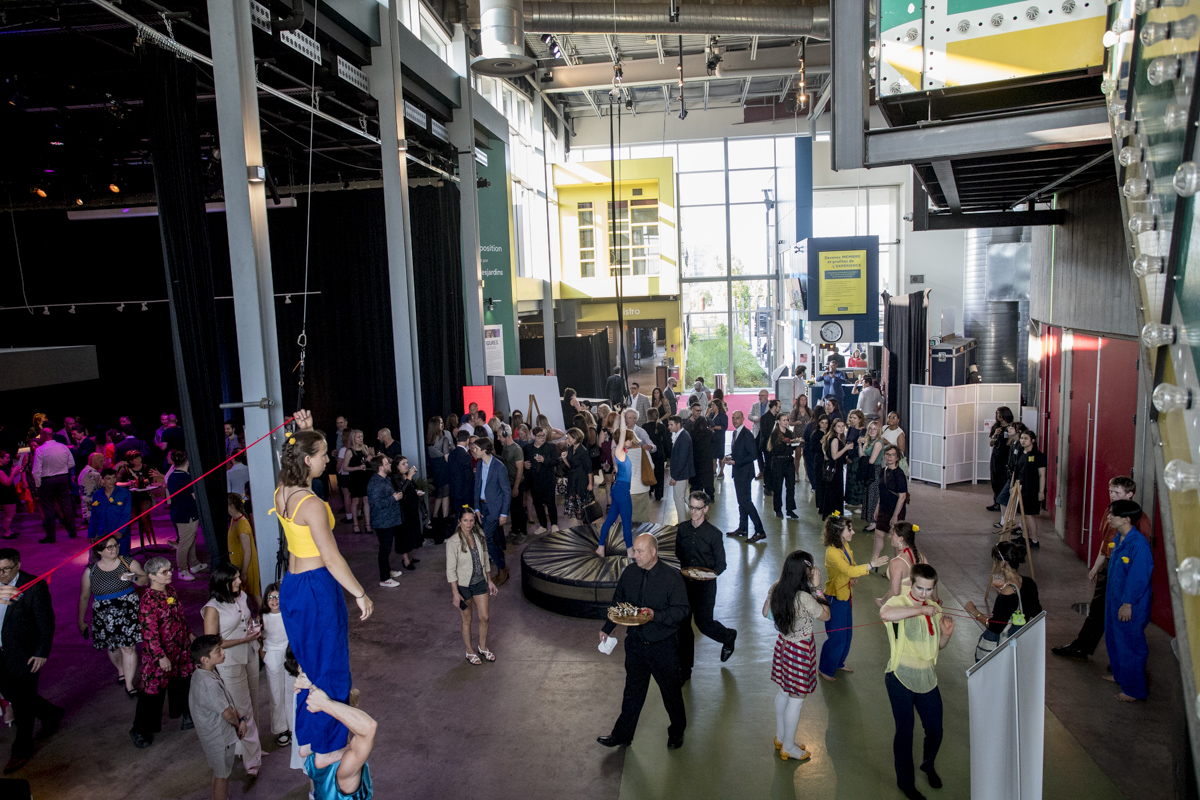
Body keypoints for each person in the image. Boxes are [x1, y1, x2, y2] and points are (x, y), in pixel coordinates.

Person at [272, 410, 373, 759]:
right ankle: (329, 746)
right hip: (317, 587)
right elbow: (332, 559)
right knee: (330, 665)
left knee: (307, 664)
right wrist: (360, 593)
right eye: (323, 454)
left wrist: (305, 431)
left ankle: (306, 737)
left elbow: (303, 479)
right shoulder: (312, 505)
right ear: (306, 459)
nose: (328, 458)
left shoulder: (282, 492)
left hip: (293, 586)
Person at [597, 533, 689, 750]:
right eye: (634, 551)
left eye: (639, 551)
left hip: (663, 647)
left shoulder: (671, 577)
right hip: (636, 644)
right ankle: (622, 734)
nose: (634, 555)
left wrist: (654, 615)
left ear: (653, 552)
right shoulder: (630, 573)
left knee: (671, 693)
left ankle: (677, 732)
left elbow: (682, 610)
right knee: (632, 692)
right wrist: (607, 627)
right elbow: (618, 601)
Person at [1054, 477, 1151, 661]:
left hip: (1125, 571)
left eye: (1117, 493)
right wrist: (1097, 566)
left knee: (1123, 618)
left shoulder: (1140, 520)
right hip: (1110, 565)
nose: (1112, 496)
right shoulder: (1111, 512)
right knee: (1099, 609)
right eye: (1111, 492)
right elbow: (1106, 542)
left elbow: (1139, 561)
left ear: (1129, 494)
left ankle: (1124, 663)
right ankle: (1085, 647)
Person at [880, 564, 955, 800]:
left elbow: (937, 647)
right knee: (905, 732)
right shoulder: (899, 603)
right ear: (911, 583)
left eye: (929, 590)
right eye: (920, 588)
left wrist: (945, 635)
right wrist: (919, 610)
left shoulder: (934, 608)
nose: (924, 594)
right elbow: (885, 614)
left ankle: (927, 764)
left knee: (935, 730)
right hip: (899, 677)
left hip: (927, 678)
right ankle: (906, 784)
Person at [0, 548, 63, 774]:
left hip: (24, 654)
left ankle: (21, 749)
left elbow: (46, 622)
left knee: (22, 705)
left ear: (17, 566)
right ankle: (50, 713)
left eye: (6, 570)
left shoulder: (33, 587)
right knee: (12, 694)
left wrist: (41, 652)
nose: (1, 574)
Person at [763, 550, 830, 762]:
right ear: (805, 571)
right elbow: (826, 615)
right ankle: (789, 747)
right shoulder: (804, 598)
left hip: (783, 645)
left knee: (784, 691)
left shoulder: (777, 586)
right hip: (800, 649)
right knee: (797, 699)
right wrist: (818, 588)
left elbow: (766, 613)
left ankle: (782, 737)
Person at [202, 564, 262, 776]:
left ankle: (250, 748)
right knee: (242, 710)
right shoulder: (212, 608)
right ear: (222, 582)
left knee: (252, 702)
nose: (239, 581)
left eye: (238, 577)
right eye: (235, 579)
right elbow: (212, 642)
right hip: (230, 661)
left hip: (250, 654)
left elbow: (246, 621)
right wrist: (244, 639)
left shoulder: (242, 596)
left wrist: (253, 635)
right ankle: (252, 759)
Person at [131, 556, 195, 748]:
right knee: (152, 693)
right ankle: (140, 729)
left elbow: (179, 617)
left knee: (183, 682)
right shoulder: (148, 602)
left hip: (180, 649)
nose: (170, 574)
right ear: (151, 576)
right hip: (160, 655)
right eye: (164, 572)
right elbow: (149, 634)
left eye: (169, 570)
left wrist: (189, 634)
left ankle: (185, 714)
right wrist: (160, 657)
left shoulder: (172, 591)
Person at [820, 516, 888, 681]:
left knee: (847, 634)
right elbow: (848, 570)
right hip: (834, 599)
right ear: (839, 532)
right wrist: (872, 564)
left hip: (844, 596)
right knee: (837, 636)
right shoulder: (832, 552)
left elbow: (851, 566)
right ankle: (825, 668)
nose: (853, 532)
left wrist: (853, 577)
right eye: (849, 529)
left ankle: (838, 662)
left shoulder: (844, 546)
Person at [677, 492, 736, 681]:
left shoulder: (714, 534)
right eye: (691, 507)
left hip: (706, 587)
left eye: (697, 508)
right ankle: (685, 670)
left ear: (706, 509)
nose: (693, 512)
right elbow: (679, 553)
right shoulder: (682, 529)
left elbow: (721, 564)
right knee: (684, 626)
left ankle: (728, 636)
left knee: (704, 624)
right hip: (685, 584)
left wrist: (707, 575)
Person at [292, 670, 376, 800]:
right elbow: (369, 728)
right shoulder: (345, 765)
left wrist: (309, 687)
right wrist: (326, 704)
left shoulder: (314, 752)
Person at [77, 538, 146, 696]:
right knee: (113, 646)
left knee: (128, 647)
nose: (114, 549)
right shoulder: (91, 570)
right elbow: (84, 596)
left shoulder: (128, 562)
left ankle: (129, 684)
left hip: (127, 610)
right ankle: (121, 670)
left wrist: (131, 577)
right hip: (104, 613)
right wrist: (80, 621)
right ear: (99, 551)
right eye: (109, 547)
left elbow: (144, 580)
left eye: (115, 545)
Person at [188, 635, 250, 800]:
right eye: (218, 651)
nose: (223, 653)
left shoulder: (201, 674)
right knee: (223, 776)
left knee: (218, 771)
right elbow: (227, 713)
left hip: (211, 736)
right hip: (220, 738)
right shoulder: (209, 684)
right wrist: (240, 723)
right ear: (205, 659)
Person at [1103, 500, 1153, 702]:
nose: (1108, 517)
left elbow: (1138, 578)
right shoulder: (1119, 538)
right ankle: (1120, 676)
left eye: (1112, 514)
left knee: (1130, 646)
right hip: (1114, 599)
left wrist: (1127, 604)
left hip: (1130, 604)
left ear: (1126, 519)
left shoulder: (1138, 545)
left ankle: (1134, 690)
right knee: (1114, 640)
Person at [964, 542, 1042, 660]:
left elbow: (995, 626)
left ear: (1002, 563)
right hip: (1021, 643)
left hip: (1004, 646)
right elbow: (1037, 612)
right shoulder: (1030, 583)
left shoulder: (1008, 590)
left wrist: (974, 611)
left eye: (995, 561)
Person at [446, 508, 500, 664]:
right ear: (459, 522)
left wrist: (489, 580)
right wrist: (455, 593)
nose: (468, 524)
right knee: (467, 620)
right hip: (464, 586)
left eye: (471, 521)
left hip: (480, 582)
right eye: (465, 520)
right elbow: (450, 570)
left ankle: (482, 647)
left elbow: (484, 560)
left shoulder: (479, 536)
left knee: (485, 617)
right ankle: (469, 651)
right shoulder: (453, 541)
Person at [471, 438, 511, 586]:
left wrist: (503, 514)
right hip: (482, 509)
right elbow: (477, 487)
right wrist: (476, 508)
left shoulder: (499, 467)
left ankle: (502, 568)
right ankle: (504, 567)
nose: (473, 450)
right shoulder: (480, 464)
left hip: (495, 510)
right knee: (492, 540)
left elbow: (506, 492)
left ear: (484, 450)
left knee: (485, 541)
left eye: (475, 448)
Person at [260, 583, 294, 748]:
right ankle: (281, 729)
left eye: (278, 597)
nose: (274, 600)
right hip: (271, 655)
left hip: (288, 655)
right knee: (276, 694)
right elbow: (257, 638)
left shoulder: (288, 615)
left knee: (290, 692)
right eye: (270, 597)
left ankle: (293, 727)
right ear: (266, 600)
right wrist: (263, 654)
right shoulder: (263, 617)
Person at [597, 415, 635, 558]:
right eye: (630, 438)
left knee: (610, 520)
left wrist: (620, 419)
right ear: (623, 441)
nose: (631, 440)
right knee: (626, 521)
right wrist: (623, 414)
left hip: (619, 489)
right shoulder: (619, 452)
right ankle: (630, 550)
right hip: (621, 491)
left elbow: (619, 433)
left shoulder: (621, 452)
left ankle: (601, 547)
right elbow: (622, 433)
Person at [726, 411, 766, 543]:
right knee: (741, 502)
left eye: (737, 418)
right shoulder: (735, 433)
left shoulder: (747, 435)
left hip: (744, 473)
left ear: (743, 419)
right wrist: (730, 456)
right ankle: (743, 528)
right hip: (738, 473)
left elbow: (753, 455)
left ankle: (760, 530)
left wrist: (736, 462)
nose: (735, 420)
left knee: (746, 502)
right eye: (733, 418)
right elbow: (740, 451)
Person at [167, 450, 207, 580]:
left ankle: (194, 564)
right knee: (185, 543)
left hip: (180, 512)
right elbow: (195, 497)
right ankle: (182, 570)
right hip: (186, 514)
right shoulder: (185, 477)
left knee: (190, 540)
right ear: (188, 462)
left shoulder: (172, 475)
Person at [365, 456, 404, 589]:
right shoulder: (375, 483)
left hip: (389, 520)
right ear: (380, 467)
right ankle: (384, 578)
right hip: (382, 522)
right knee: (384, 549)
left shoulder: (385, 478)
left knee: (387, 548)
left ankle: (387, 571)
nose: (390, 464)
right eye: (387, 463)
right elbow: (376, 504)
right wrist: (394, 498)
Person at [31, 431, 76, 544]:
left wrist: (37, 484)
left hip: (47, 480)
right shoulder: (63, 447)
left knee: (48, 508)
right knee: (66, 505)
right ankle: (72, 530)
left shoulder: (40, 450)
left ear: (45, 436)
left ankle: (51, 536)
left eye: (40, 435)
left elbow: (36, 470)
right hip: (62, 477)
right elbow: (71, 463)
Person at [872, 446, 909, 562]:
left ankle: (896, 565)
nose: (889, 457)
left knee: (896, 539)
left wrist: (895, 515)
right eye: (887, 454)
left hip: (895, 510)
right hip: (884, 508)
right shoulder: (883, 472)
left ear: (897, 457)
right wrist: (877, 508)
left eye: (892, 455)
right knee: (878, 534)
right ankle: (874, 561)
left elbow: (902, 496)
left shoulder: (899, 474)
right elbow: (881, 492)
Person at [1010, 430, 1046, 547]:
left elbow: (1042, 475)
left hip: (1032, 489)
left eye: (1025, 438)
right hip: (1021, 488)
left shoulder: (1039, 456)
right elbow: (1016, 471)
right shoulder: (1021, 454)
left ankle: (1034, 539)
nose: (1022, 441)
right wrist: (1012, 486)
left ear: (1033, 440)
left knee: (1029, 514)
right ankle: (1025, 537)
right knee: (1023, 514)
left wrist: (1041, 491)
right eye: (1021, 438)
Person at [86, 468, 133, 556]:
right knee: (105, 558)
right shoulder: (97, 495)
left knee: (123, 557)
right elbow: (94, 516)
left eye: (114, 478)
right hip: (103, 532)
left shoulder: (125, 493)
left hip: (120, 533)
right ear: (102, 480)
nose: (112, 481)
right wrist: (91, 534)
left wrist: (120, 530)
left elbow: (126, 513)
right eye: (108, 478)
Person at [224, 494, 260, 601]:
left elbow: (247, 551)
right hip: (237, 563)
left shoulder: (242, 524)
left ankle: (264, 615)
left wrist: (243, 573)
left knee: (253, 593)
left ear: (232, 506)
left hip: (245, 565)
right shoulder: (233, 520)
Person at [524, 427, 559, 536]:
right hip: (534, 481)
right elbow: (524, 461)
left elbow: (556, 461)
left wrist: (545, 460)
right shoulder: (527, 448)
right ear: (533, 436)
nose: (542, 438)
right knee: (538, 505)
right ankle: (543, 525)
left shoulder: (551, 447)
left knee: (551, 503)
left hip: (548, 480)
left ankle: (554, 524)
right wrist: (525, 465)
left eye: (543, 435)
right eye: (539, 436)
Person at [390, 456, 424, 570]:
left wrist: (416, 492)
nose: (406, 465)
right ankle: (405, 560)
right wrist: (409, 477)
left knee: (411, 532)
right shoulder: (395, 477)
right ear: (397, 466)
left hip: (412, 509)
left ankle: (408, 557)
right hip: (403, 510)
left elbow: (410, 488)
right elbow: (401, 491)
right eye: (403, 463)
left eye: (406, 463)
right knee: (403, 535)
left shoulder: (405, 476)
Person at [338, 431, 372, 534]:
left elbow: (367, 464)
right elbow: (344, 467)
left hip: (365, 477)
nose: (360, 439)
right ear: (353, 438)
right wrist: (358, 467)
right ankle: (355, 524)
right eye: (358, 437)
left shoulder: (365, 448)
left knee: (366, 500)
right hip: (355, 478)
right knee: (356, 501)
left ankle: (368, 524)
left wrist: (369, 459)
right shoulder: (349, 451)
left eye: (361, 436)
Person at [425, 417, 453, 543]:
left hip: (435, 470)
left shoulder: (429, 440)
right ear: (436, 426)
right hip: (444, 469)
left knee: (439, 494)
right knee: (445, 494)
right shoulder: (444, 439)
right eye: (440, 423)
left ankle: (435, 516)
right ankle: (445, 518)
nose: (442, 425)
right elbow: (447, 458)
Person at [819, 419, 852, 519]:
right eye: (839, 426)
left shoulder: (836, 438)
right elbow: (835, 456)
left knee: (833, 494)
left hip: (835, 469)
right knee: (835, 494)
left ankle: (832, 515)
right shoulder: (835, 439)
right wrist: (846, 448)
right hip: (835, 470)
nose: (841, 428)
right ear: (834, 427)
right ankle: (834, 516)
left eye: (843, 426)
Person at [985, 407, 1015, 511]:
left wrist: (1011, 436)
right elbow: (991, 443)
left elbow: (1009, 444)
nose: (999, 417)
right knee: (995, 478)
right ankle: (996, 502)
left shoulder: (1012, 427)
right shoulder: (996, 427)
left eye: (1000, 414)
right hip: (996, 455)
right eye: (997, 414)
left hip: (1006, 456)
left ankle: (1005, 503)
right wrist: (995, 434)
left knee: (1005, 479)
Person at [766, 415, 797, 519]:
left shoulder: (789, 433)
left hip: (788, 461)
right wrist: (787, 446)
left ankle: (790, 509)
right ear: (778, 421)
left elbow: (792, 447)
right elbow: (775, 450)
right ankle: (778, 509)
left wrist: (794, 443)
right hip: (778, 462)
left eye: (787, 420)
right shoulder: (775, 434)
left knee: (791, 486)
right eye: (784, 420)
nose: (786, 422)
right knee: (778, 487)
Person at [666, 416, 695, 524]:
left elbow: (682, 460)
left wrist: (674, 477)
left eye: (671, 424)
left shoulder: (683, 438)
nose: (669, 427)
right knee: (685, 497)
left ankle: (682, 523)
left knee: (678, 499)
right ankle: (699, 511)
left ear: (678, 425)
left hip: (681, 475)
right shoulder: (682, 435)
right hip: (683, 473)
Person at [563, 428, 595, 525]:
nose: (567, 439)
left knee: (582, 500)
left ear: (575, 438)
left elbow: (589, 469)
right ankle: (580, 523)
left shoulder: (583, 451)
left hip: (581, 478)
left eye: (569, 438)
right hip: (573, 477)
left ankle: (585, 524)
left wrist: (590, 483)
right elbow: (570, 466)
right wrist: (564, 459)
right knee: (576, 502)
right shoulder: (570, 449)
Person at [860, 420, 886, 532]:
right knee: (868, 495)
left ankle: (874, 521)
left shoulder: (878, 443)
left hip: (874, 471)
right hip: (868, 471)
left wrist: (864, 459)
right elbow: (861, 455)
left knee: (873, 496)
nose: (872, 431)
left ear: (878, 430)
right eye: (870, 428)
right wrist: (859, 444)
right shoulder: (869, 442)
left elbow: (871, 460)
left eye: (875, 429)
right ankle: (871, 520)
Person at [688, 404, 715, 498]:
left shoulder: (692, 433)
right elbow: (713, 442)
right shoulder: (708, 433)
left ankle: (696, 494)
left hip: (696, 459)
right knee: (708, 478)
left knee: (697, 479)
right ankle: (710, 495)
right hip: (707, 459)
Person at [646, 409, 669, 502]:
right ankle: (658, 494)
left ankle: (649, 489)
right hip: (659, 452)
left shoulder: (644, 426)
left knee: (648, 472)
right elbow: (666, 441)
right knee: (659, 473)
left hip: (648, 452)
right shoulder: (662, 427)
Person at [748, 390, 771, 478]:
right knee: (758, 451)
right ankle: (761, 470)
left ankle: (768, 470)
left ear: (766, 396)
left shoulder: (771, 406)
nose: (760, 397)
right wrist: (756, 418)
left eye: (762, 395)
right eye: (759, 395)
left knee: (767, 451)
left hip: (767, 432)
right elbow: (749, 416)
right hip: (757, 431)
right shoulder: (755, 405)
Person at [756, 400, 780, 484]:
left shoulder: (777, 417)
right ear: (774, 407)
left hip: (776, 445)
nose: (779, 409)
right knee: (768, 465)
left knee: (775, 466)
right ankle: (767, 485)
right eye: (779, 407)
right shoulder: (765, 418)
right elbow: (765, 433)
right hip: (767, 445)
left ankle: (773, 483)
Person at [789, 396, 813, 480]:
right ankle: (796, 473)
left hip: (807, 435)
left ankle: (807, 474)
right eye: (802, 400)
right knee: (797, 455)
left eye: (805, 400)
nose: (803, 402)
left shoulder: (809, 411)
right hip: (797, 435)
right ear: (798, 401)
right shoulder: (794, 411)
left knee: (806, 455)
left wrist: (809, 423)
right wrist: (796, 423)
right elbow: (790, 423)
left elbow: (813, 420)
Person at [78, 451, 103, 524]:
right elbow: (109, 486)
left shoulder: (84, 471)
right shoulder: (93, 474)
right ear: (94, 461)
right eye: (101, 461)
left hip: (88, 507)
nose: (104, 463)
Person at [708, 399, 729, 479]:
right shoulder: (712, 415)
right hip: (712, 437)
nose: (712, 407)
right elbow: (706, 420)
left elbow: (724, 427)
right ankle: (713, 470)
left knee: (720, 455)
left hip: (719, 437)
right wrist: (709, 412)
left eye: (713, 405)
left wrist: (714, 427)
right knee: (713, 455)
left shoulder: (723, 415)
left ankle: (721, 471)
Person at [0, 452, 17, 540]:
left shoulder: (5, 468)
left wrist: (16, 472)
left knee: (12, 513)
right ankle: (6, 532)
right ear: (0, 458)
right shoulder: (0, 470)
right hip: (6, 494)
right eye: (6, 458)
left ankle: (9, 531)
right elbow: (7, 482)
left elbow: (10, 477)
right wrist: (13, 472)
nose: (8, 460)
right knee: (9, 514)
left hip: (10, 492)